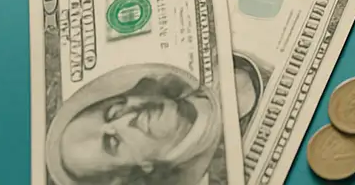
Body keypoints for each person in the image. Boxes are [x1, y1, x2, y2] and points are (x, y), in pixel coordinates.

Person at [44, 63, 226, 185]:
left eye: (114, 111)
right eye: (114, 142)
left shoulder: (215, 74)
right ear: (139, 169)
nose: (126, 119)